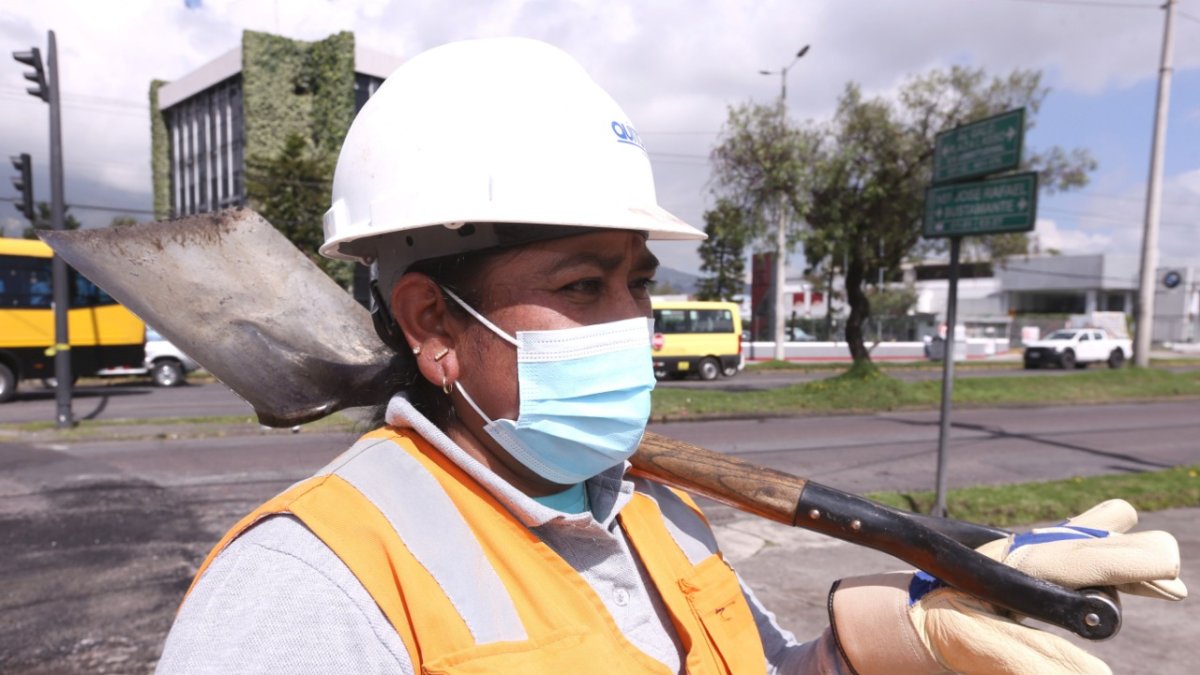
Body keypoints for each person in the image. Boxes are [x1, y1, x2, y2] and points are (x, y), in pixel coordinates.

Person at [156, 38, 1185, 674]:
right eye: (581, 286)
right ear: (431, 326)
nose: (630, 325)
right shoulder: (308, 588)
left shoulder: (657, 512)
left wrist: (894, 641)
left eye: (638, 282)